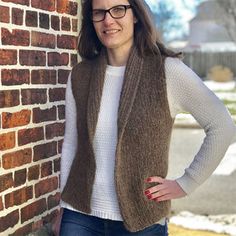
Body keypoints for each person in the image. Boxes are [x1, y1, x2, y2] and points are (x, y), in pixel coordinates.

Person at [54, 0, 236, 235]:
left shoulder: (166, 71)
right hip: (79, 218)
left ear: (136, 15)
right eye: (99, 13)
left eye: (118, 9)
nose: (108, 20)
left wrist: (186, 183)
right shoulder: (80, 76)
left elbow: (222, 125)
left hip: (142, 223)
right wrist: (63, 207)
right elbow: (72, 143)